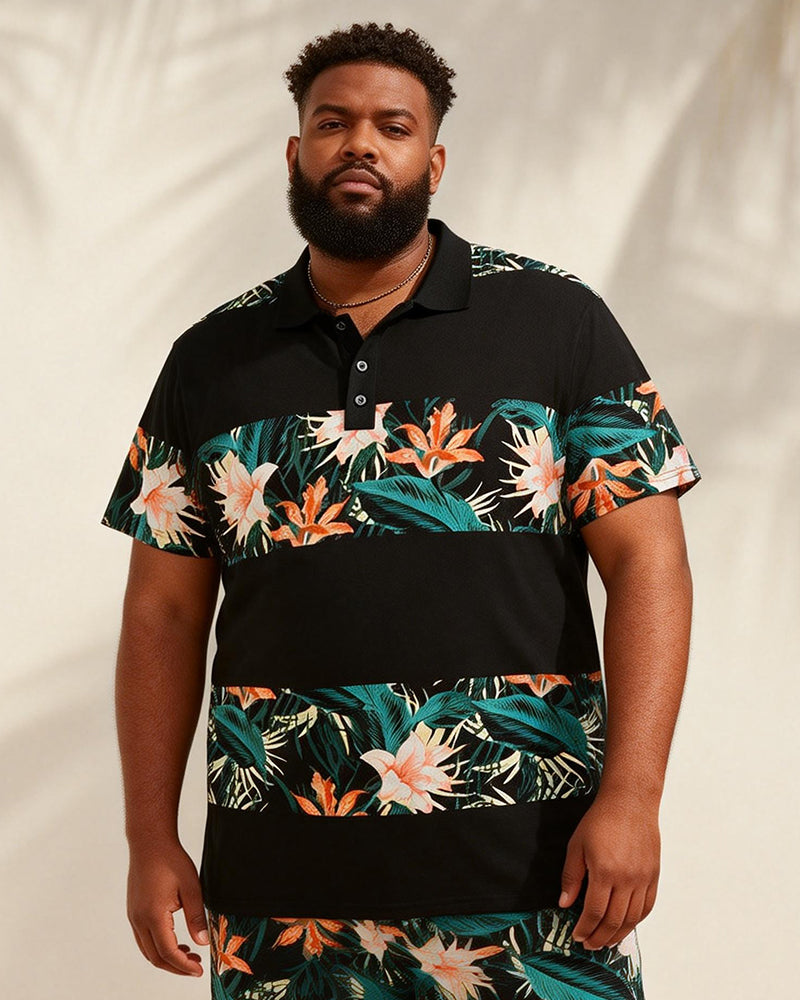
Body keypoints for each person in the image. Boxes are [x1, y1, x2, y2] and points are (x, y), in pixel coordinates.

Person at [100, 20, 701, 1000]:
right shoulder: (211, 358)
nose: (360, 146)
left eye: (393, 126)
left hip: (530, 885)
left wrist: (633, 797)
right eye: (331, 123)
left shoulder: (557, 324)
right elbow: (161, 611)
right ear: (294, 152)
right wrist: (147, 836)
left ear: (434, 160)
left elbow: (649, 564)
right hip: (279, 896)